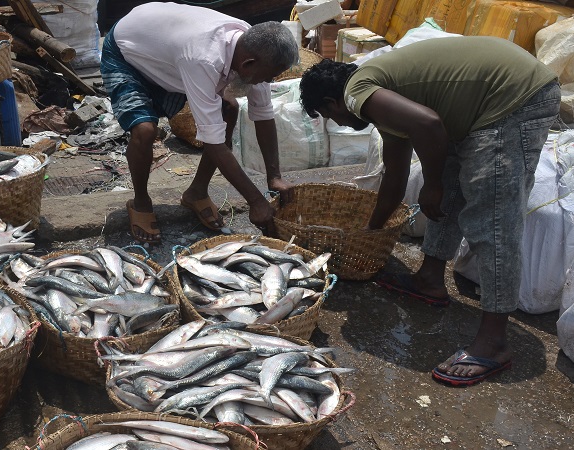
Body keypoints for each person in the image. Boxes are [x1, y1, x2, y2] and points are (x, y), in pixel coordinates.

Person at [299, 36, 561, 386]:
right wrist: (370, 231)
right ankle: (429, 279)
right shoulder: (382, 98)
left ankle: (494, 341)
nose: (340, 123)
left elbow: (428, 124)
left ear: (333, 101)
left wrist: (432, 184)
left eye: (329, 115)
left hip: (513, 97)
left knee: (492, 217)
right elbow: (395, 176)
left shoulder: (358, 91)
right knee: (449, 187)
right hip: (488, 100)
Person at [100, 2, 298, 244]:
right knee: (144, 129)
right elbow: (214, 143)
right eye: (268, 76)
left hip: (166, 53)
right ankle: (140, 201)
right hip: (127, 51)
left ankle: (197, 192)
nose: (269, 81)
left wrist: (274, 177)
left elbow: (264, 114)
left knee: (229, 108)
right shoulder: (203, 58)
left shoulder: (255, 46)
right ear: (248, 64)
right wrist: (256, 202)